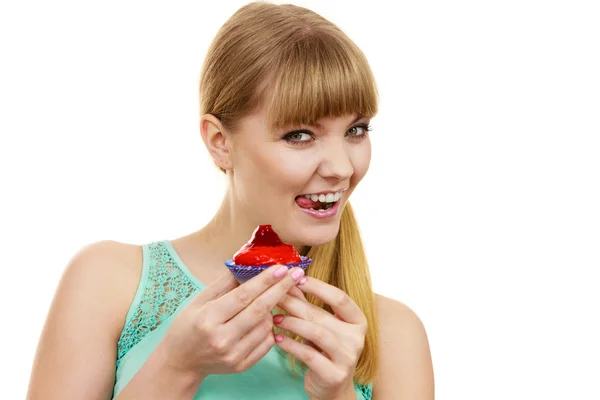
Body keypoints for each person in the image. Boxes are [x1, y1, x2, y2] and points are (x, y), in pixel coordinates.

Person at [26, 2, 434, 399]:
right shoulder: (109, 281)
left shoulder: (395, 334)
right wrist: (176, 367)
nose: (343, 168)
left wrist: (338, 395)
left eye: (357, 130)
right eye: (300, 135)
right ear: (220, 142)